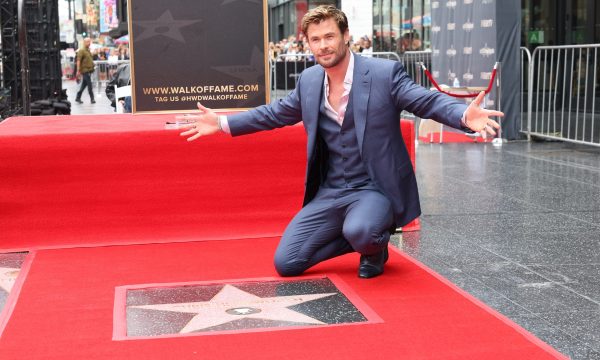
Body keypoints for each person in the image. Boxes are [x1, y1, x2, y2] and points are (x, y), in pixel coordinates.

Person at [179, 5, 502, 279]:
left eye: (329, 36)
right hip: (332, 189)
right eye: (316, 40)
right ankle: (362, 234)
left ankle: (373, 244)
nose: (323, 46)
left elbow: (425, 101)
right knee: (287, 264)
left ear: (346, 36)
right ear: (308, 43)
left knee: (361, 231)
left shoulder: (382, 73)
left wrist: (463, 116)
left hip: (374, 186)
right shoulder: (309, 80)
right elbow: (275, 113)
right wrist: (222, 123)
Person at [75, 38, 96, 104]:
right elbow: (78, 61)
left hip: (89, 70)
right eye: (87, 42)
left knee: (83, 85)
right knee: (89, 85)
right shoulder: (81, 50)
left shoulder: (88, 50)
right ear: (84, 42)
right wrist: (78, 71)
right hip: (85, 71)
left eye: (89, 41)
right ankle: (92, 99)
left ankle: (78, 97)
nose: (89, 43)